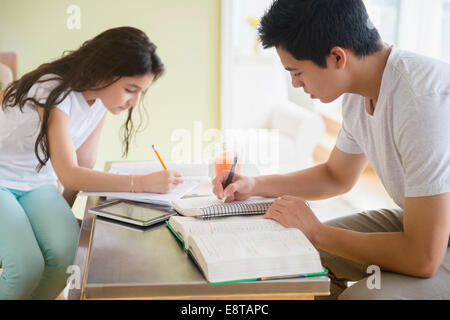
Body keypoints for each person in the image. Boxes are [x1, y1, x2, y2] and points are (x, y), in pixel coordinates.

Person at [212, 0, 450, 299]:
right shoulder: (359, 90)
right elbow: (336, 175)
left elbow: (423, 257)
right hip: (428, 223)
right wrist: (255, 184)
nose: (295, 84)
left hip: (430, 241)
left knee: (364, 296)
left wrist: (318, 232)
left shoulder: (422, 101)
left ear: (338, 57)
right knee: (301, 254)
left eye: (297, 72)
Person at [0, 26, 183, 299]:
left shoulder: (99, 100)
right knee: (25, 265)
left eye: (140, 93)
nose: (134, 102)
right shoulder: (52, 91)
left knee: (68, 257)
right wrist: (141, 183)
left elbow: (83, 162)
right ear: (105, 72)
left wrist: (56, 217)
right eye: (130, 89)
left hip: (37, 182)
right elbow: (71, 174)